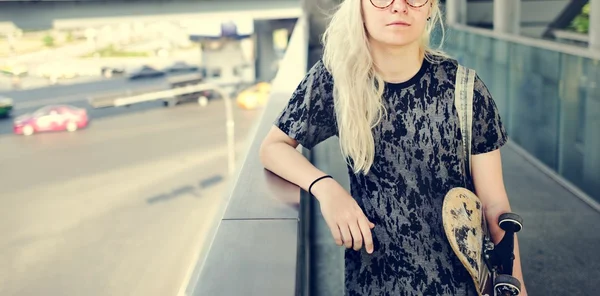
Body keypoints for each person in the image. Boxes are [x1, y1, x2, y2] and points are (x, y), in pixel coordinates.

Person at [259, 0, 528, 295]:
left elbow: (496, 209)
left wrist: (518, 290)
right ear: (359, 6)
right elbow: (274, 147)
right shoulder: (336, 81)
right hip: (374, 281)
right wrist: (326, 189)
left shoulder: (464, 89)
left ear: (430, 9)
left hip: (460, 284)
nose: (399, 7)